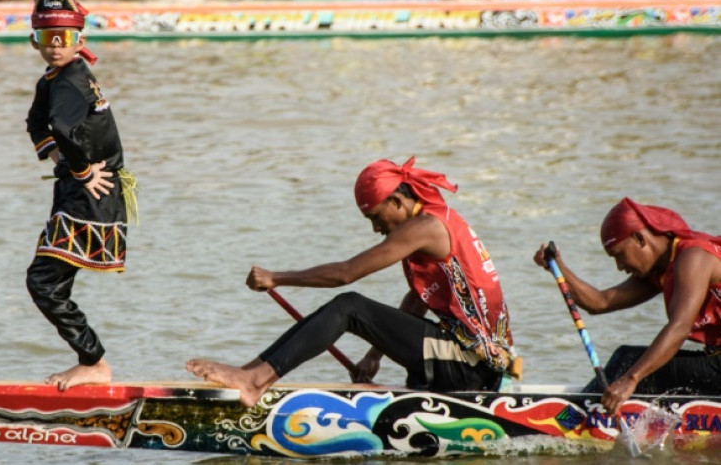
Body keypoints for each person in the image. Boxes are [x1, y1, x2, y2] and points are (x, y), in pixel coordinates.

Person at [188, 158, 521, 407]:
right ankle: (250, 372)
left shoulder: (426, 226)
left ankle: (254, 380)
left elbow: (346, 272)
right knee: (353, 308)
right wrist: (374, 356)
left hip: (474, 367)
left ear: (396, 201)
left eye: (376, 217)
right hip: (475, 363)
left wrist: (277, 278)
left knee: (349, 306)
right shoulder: (437, 220)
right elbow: (420, 298)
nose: (376, 228)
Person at [24, 0, 138, 391]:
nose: (55, 43)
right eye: (47, 34)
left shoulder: (71, 77)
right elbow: (38, 123)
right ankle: (90, 360)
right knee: (49, 283)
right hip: (78, 189)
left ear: (78, 37)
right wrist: (60, 159)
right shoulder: (55, 78)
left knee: (42, 281)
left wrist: (84, 171)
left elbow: (61, 126)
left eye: (64, 35)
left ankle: (94, 362)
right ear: (34, 39)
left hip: (91, 193)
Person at [533, 198, 721, 415]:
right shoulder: (661, 270)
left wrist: (631, 379)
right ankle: (591, 411)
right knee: (628, 359)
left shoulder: (693, 257)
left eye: (618, 255)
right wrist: (557, 267)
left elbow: (679, 327)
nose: (619, 266)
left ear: (639, 238)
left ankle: (574, 419)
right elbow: (599, 302)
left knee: (629, 362)